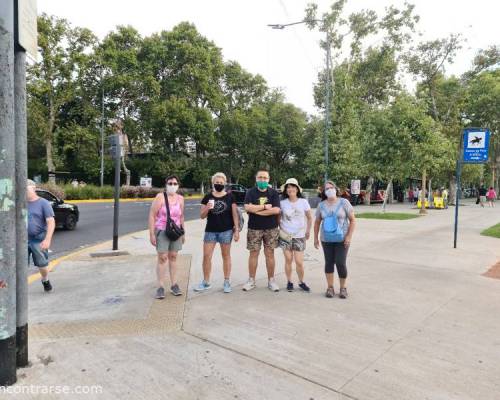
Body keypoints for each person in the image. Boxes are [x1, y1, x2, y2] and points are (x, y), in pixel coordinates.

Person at [195, 172, 240, 293]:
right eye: (217, 182)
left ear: (224, 183)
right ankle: (206, 282)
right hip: (211, 231)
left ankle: (226, 281)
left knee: (226, 256)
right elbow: (202, 216)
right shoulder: (208, 196)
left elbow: (234, 214)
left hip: (226, 230)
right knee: (206, 256)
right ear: (213, 183)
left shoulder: (230, 197)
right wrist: (207, 208)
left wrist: (236, 230)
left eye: (221, 182)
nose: (219, 184)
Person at [314, 181, 356, 299]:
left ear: (336, 189)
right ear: (324, 192)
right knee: (329, 263)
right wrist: (315, 238)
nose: (329, 190)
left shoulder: (344, 202)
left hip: (342, 239)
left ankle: (343, 288)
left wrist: (348, 236)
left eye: (331, 188)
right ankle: (330, 287)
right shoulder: (321, 205)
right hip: (326, 239)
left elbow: (353, 220)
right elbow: (317, 222)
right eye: (327, 189)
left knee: (340, 263)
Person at [243, 169, 281, 292]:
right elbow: (247, 207)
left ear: (268, 179)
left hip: (271, 228)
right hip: (254, 228)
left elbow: (276, 210)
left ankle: (271, 280)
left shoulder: (274, 193)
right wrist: (264, 207)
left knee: (270, 254)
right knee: (253, 254)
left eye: (265, 178)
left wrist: (257, 211)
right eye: (260, 177)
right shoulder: (250, 192)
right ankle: (251, 280)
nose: (262, 180)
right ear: (256, 179)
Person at [149, 175, 185, 299]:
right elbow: (152, 215)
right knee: (163, 258)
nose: (172, 186)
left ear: (178, 185)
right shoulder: (160, 197)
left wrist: (183, 232)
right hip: (162, 230)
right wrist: (152, 234)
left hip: (176, 232)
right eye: (170, 183)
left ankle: (174, 284)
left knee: (173, 256)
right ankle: (160, 286)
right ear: (166, 184)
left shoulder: (180, 198)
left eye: (175, 183)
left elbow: (181, 217)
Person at [279, 178, 313, 292]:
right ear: (286, 190)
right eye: (288, 187)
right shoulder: (282, 203)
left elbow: (309, 217)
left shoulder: (303, 202)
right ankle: (289, 281)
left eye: (293, 186)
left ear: (297, 189)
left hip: (299, 235)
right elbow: (278, 219)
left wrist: (308, 230)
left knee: (299, 261)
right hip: (285, 235)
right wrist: (280, 230)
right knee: (288, 259)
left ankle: (301, 281)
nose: (290, 189)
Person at [27, 179, 55, 292]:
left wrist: (47, 239)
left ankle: (45, 279)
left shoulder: (43, 203)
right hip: (21, 240)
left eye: (25, 187)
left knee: (42, 264)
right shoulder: (18, 202)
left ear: (33, 188)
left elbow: (50, 222)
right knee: (19, 265)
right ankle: (18, 290)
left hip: (38, 239)